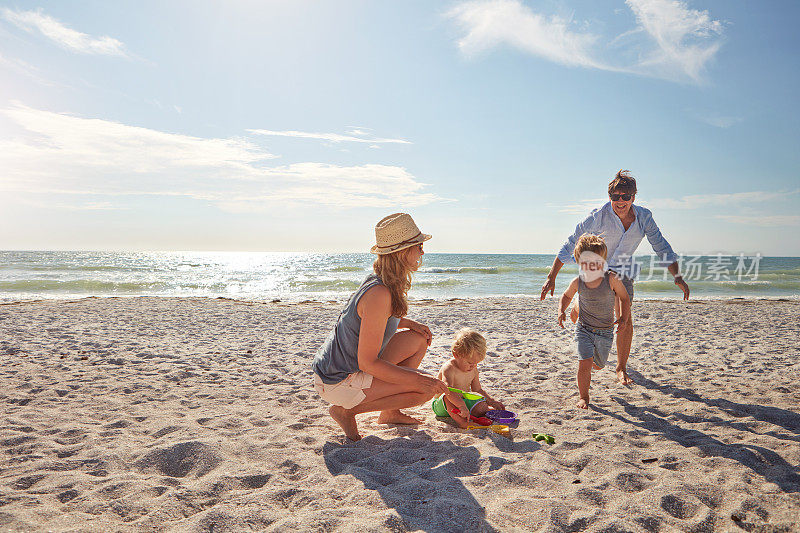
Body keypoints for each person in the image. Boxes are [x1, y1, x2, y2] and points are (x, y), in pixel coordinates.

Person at [312, 213, 468, 441]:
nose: (422, 252)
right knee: (424, 390)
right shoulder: (379, 293)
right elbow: (368, 362)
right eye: (419, 246)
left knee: (417, 339)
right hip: (338, 380)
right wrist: (423, 380)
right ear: (402, 252)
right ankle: (346, 411)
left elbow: (372, 323)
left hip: (345, 367)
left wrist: (409, 323)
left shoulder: (381, 281)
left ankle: (389, 412)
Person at [540, 170, 690, 386]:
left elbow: (661, 245)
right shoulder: (597, 216)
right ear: (609, 197)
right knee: (584, 313)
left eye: (625, 197)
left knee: (624, 319)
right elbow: (571, 242)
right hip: (595, 269)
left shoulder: (644, 217)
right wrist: (551, 277)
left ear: (634, 197)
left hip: (622, 271)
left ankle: (621, 368)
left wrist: (677, 276)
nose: (620, 202)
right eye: (615, 197)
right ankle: (578, 307)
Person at [557, 234, 631, 409]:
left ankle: (578, 304)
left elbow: (624, 298)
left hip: (605, 332)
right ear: (578, 261)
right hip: (583, 329)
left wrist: (624, 318)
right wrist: (561, 310)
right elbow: (566, 295)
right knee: (585, 363)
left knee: (598, 365)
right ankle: (584, 397)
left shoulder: (612, 279)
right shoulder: (578, 282)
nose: (591, 266)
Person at [431, 328, 505, 428]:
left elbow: (477, 389)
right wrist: (461, 405)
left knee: (482, 405)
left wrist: (491, 401)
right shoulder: (449, 368)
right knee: (447, 396)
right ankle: (462, 423)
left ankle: (485, 412)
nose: (473, 366)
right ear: (456, 354)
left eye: (476, 363)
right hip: (442, 406)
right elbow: (447, 390)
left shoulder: (473, 369)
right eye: (470, 363)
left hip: (462, 403)